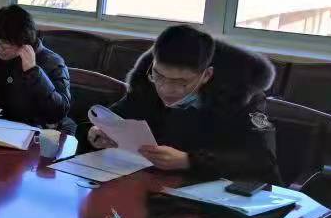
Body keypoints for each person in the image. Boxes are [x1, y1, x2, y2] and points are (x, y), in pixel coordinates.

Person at [83, 24, 280, 183]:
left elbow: (262, 160)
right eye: (159, 76)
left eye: (181, 82)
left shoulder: (245, 97)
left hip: (222, 200)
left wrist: (189, 161)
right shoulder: (146, 86)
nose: (166, 89)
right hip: (157, 189)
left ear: (206, 75)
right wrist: (95, 133)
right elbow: (114, 117)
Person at [0, 5, 75, 134]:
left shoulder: (52, 63)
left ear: (24, 41)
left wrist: (34, 73)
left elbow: (58, 113)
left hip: (33, 136)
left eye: (5, 45)